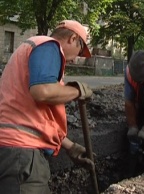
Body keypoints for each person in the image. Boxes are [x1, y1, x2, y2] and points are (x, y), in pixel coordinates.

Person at [0, 20, 94, 194]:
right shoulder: (49, 46)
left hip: (12, 150)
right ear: (73, 38)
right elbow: (42, 92)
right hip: (22, 155)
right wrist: (77, 91)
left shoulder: (32, 49)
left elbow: (36, 116)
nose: (77, 57)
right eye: (80, 50)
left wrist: (70, 147)